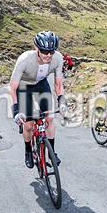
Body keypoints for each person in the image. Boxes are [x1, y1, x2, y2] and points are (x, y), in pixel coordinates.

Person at [8, 31, 69, 168]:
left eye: (51, 52)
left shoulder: (57, 58)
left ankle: (51, 152)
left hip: (41, 84)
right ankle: (28, 151)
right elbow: (12, 88)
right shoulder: (24, 59)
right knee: (28, 124)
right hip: (24, 86)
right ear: (36, 47)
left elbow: (58, 84)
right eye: (44, 51)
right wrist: (16, 110)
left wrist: (62, 102)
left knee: (49, 118)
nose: (48, 55)